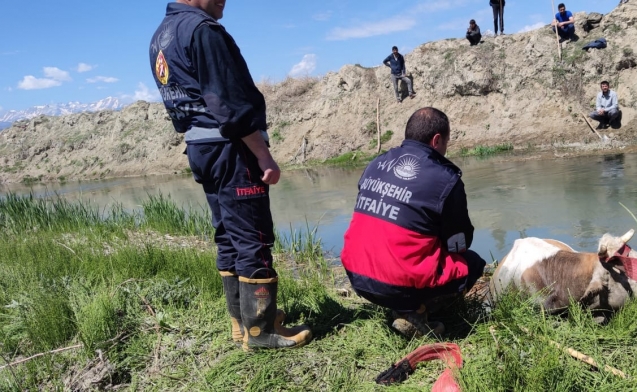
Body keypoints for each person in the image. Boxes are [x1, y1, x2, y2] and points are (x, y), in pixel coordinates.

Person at [149, 0, 312, 351]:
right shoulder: (202, 31)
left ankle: (242, 322)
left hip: (200, 147)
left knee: (227, 233)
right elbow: (230, 103)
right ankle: (261, 332)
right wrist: (263, 154)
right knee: (253, 235)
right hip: (230, 148)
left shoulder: (160, 37)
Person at [340, 107, 486, 338]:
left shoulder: (376, 164)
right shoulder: (446, 179)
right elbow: (459, 241)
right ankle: (417, 312)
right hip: (394, 283)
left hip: (356, 275)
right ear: (437, 140)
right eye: (446, 143)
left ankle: (403, 303)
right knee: (473, 263)